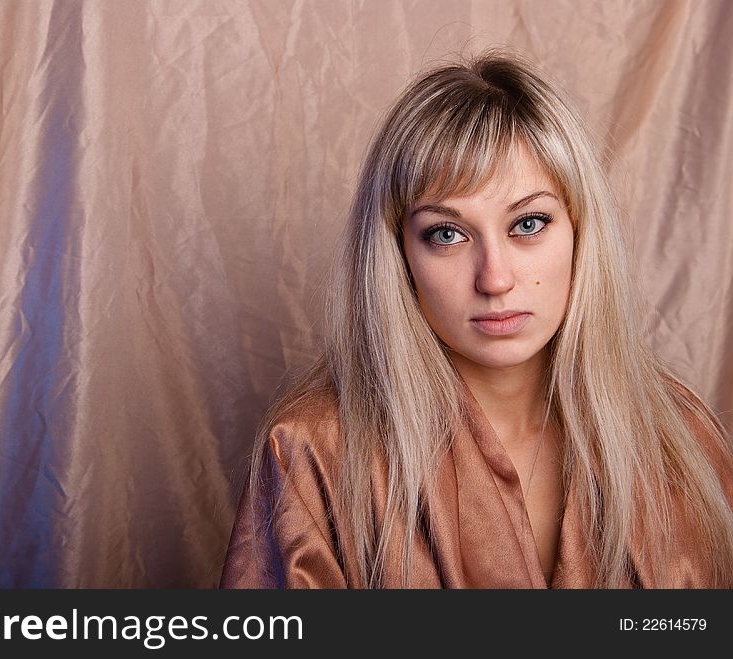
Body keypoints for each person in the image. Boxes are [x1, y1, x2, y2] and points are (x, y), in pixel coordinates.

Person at [220, 50, 733, 588]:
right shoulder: (313, 452)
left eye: (529, 223)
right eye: (447, 234)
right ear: (399, 256)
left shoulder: (678, 438)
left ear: (582, 232)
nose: (495, 279)